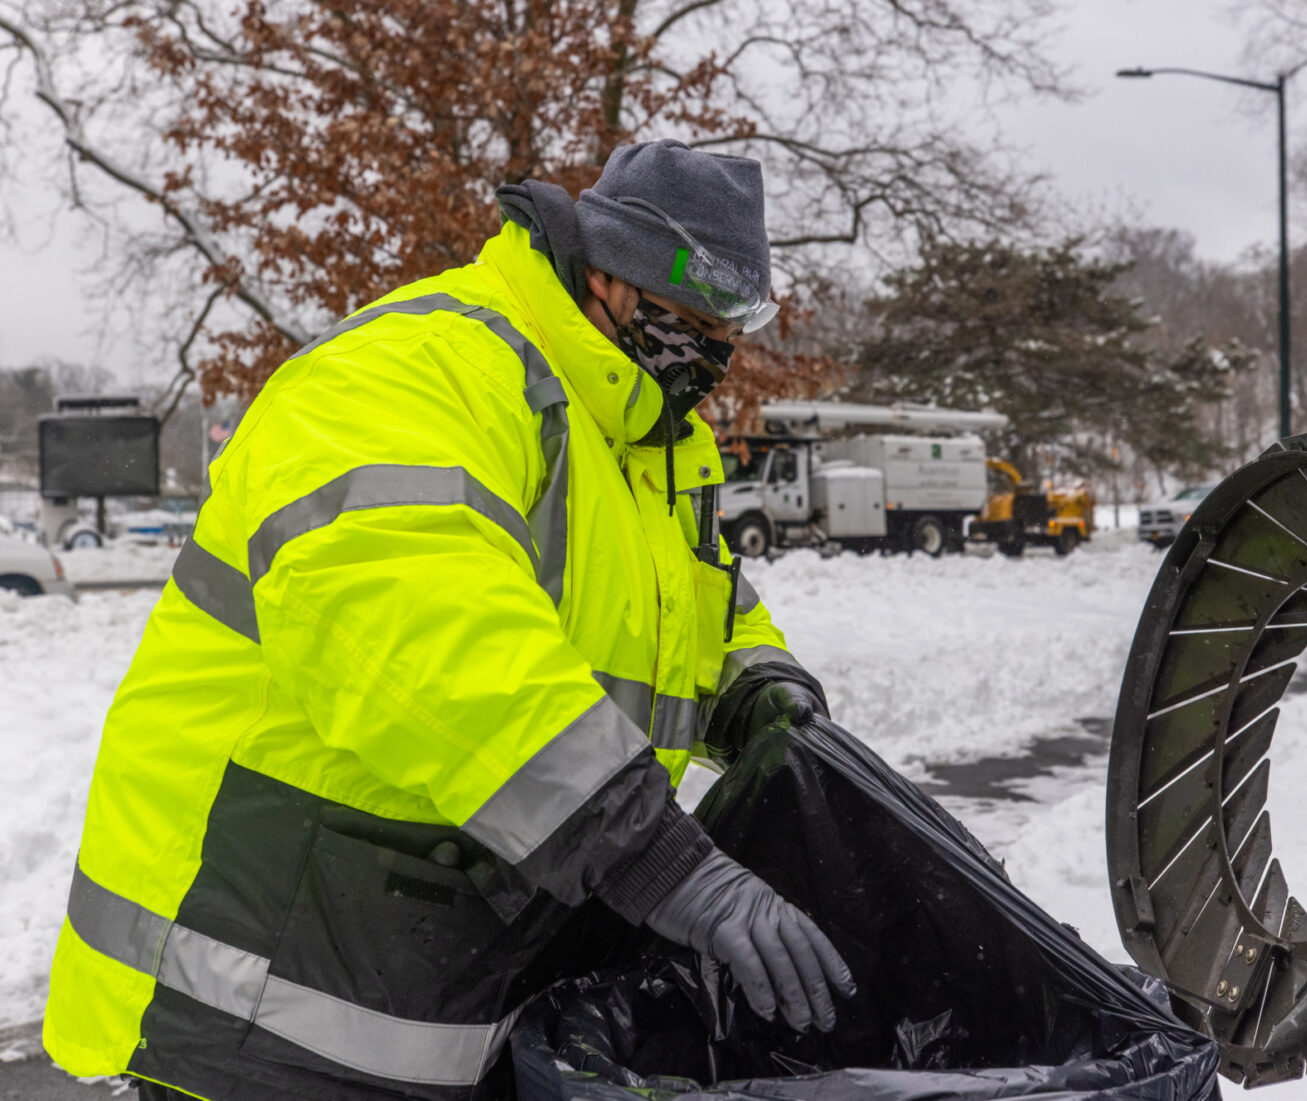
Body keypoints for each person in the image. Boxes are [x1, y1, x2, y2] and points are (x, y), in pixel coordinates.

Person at [43, 139, 854, 1101]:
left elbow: (697, 605)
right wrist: (651, 855)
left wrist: (762, 692)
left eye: (730, 327)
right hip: (254, 990)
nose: (713, 353)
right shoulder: (420, 369)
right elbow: (424, 629)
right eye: (693, 320)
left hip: (420, 975)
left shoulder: (638, 445)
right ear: (610, 277)